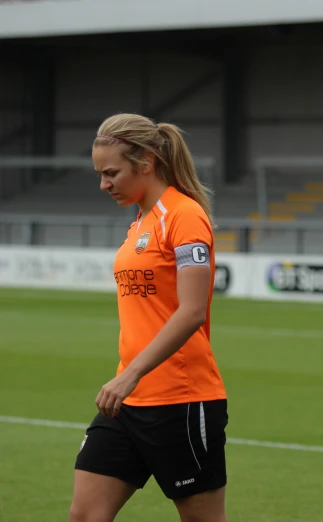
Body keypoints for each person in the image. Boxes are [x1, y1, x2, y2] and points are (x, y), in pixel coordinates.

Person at [69, 114, 229, 522]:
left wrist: (130, 373)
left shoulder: (184, 215)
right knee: (85, 515)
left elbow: (192, 311)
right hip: (127, 402)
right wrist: (128, 378)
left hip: (180, 399)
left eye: (111, 173)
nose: (104, 184)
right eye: (100, 174)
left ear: (147, 162)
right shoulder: (139, 222)